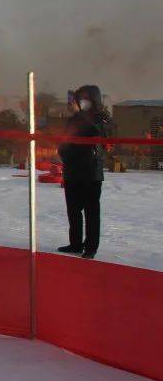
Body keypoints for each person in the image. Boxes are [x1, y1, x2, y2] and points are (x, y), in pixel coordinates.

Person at [57, 85, 110, 259]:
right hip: (72, 171)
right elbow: (65, 140)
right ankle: (75, 243)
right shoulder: (73, 120)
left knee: (91, 212)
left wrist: (79, 114)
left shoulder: (100, 119)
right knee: (73, 211)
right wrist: (63, 152)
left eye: (83, 100)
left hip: (91, 173)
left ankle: (91, 247)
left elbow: (96, 133)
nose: (80, 104)